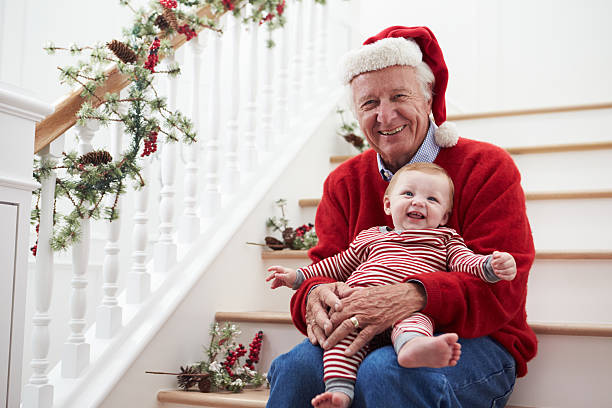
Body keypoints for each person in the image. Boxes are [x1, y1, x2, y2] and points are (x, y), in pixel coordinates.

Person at [266, 26, 537, 408]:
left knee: (386, 371)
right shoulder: (343, 182)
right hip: (363, 333)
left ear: (428, 99)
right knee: (294, 368)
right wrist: (312, 294)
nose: (385, 115)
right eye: (369, 103)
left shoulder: (487, 167)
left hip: (475, 341)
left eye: (399, 96)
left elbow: (502, 287)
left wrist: (412, 296)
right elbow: (325, 268)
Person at [266, 162, 518, 408]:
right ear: (388, 203)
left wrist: (490, 266)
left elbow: (466, 262)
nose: (418, 202)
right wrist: (301, 280)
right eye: (408, 194)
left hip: (411, 312)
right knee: (328, 349)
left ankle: (413, 348)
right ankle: (339, 392)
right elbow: (336, 264)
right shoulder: (371, 237)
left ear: (445, 217)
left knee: (406, 338)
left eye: (432, 200)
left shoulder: (445, 239)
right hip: (358, 311)